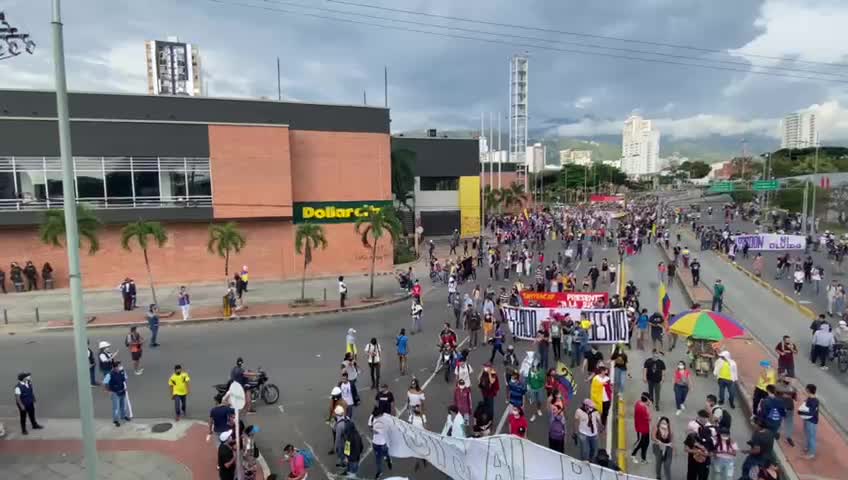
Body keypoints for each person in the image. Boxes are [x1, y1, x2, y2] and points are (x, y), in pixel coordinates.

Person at [103, 360, 130, 427]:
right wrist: (107, 390)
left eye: (120, 366)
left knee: (123, 406)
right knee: (116, 408)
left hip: (122, 391)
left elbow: (125, 379)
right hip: (115, 393)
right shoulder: (109, 374)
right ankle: (116, 420)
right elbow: (105, 382)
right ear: (115, 367)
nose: (120, 367)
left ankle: (123, 416)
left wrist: (125, 386)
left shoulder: (122, 372)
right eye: (119, 366)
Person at [368, 406, 392, 479]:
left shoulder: (384, 419)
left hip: (382, 443)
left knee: (383, 455)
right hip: (376, 443)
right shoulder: (372, 417)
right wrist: (373, 430)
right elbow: (370, 427)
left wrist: (377, 431)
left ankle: (388, 460)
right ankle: (380, 470)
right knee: (379, 459)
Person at [774, 374, 797, 447]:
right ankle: (788, 437)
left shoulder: (777, 386)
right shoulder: (792, 388)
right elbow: (795, 398)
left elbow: (774, 393)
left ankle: (777, 433)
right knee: (789, 423)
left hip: (780, 406)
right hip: (789, 407)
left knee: (778, 420)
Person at [798, 383, 819, 459]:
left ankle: (811, 453)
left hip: (811, 421)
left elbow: (811, 412)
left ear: (808, 390)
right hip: (807, 420)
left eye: (806, 388)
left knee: (811, 437)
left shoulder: (813, 401)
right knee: (807, 434)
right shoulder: (810, 398)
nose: (805, 389)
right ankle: (807, 447)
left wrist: (800, 412)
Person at [631, 392, 652, 464]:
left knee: (646, 443)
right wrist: (649, 407)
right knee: (640, 442)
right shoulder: (643, 409)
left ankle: (643, 458)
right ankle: (633, 454)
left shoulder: (638, 403)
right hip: (641, 429)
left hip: (645, 428)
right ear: (647, 399)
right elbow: (649, 418)